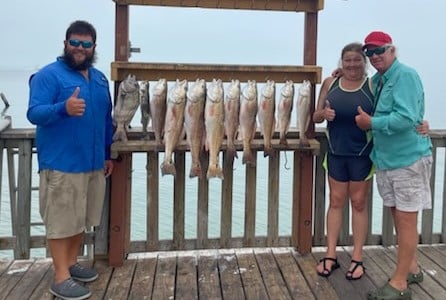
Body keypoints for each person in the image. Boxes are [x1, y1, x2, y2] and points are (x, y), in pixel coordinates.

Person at [27, 20, 114, 300]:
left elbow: (104, 120)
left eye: (86, 44)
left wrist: (106, 154)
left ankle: (72, 263)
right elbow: (35, 113)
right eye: (75, 42)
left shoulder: (100, 79)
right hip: (62, 164)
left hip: (93, 164)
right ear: (65, 44)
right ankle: (60, 276)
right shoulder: (48, 76)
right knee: (61, 221)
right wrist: (63, 108)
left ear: (93, 47)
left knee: (81, 220)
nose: (80, 48)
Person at [355, 31, 432, 300]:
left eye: (380, 51)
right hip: (386, 161)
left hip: (408, 160)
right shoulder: (376, 81)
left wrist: (371, 124)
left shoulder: (405, 76)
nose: (374, 56)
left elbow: (406, 117)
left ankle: (400, 285)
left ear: (392, 50)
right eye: (370, 53)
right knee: (397, 216)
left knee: (407, 220)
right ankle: (412, 268)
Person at [313, 42, 374, 281]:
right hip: (336, 152)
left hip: (363, 154)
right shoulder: (331, 83)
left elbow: (388, 112)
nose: (352, 64)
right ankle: (331, 255)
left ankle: (357, 258)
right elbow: (315, 116)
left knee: (358, 203)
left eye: (357, 60)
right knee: (336, 201)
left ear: (364, 62)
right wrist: (324, 115)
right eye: (347, 60)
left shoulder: (372, 85)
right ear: (341, 62)